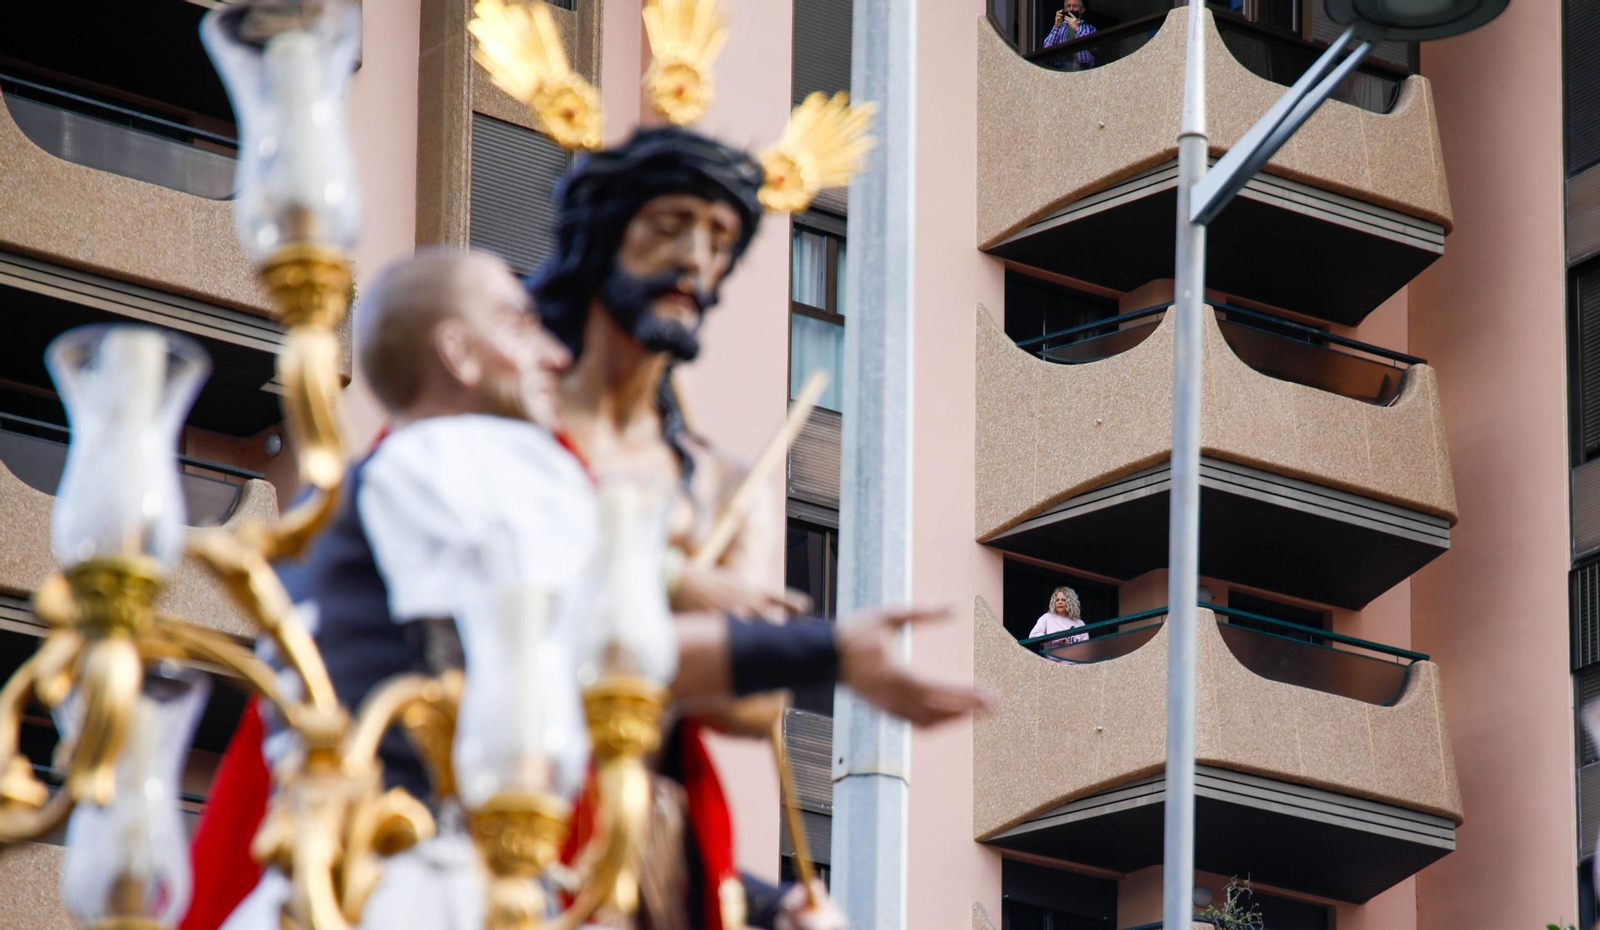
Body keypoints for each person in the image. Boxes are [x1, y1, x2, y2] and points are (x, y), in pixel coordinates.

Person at [529, 124, 989, 930]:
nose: (694, 258)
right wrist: (679, 590)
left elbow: (753, 706)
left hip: (651, 838)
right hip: (509, 802)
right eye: (669, 225)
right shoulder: (515, 427)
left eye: (718, 239)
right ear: (601, 236)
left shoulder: (720, 484)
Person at [1029, 586, 1088, 662]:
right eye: (1057, 600)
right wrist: (1056, 639)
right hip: (1052, 664)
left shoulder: (1080, 623)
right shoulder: (1047, 618)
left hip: (1073, 665)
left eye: (1063, 600)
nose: (1060, 602)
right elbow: (1033, 636)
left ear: (1070, 602)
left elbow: (1086, 649)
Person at [1041, 0, 1097, 69]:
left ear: (1082, 10)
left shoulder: (1089, 28)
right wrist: (1056, 27)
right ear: (1064, 10)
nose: (1071, 9)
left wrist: (1077, 29)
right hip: (1060, 70)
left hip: (1084, 69)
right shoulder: (1060, 28)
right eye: (1068, 6)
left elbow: (1095, 47)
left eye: (1075, 6)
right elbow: (1046, 49)